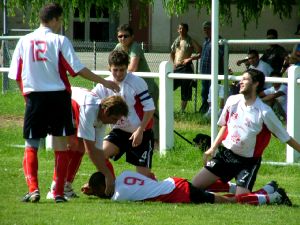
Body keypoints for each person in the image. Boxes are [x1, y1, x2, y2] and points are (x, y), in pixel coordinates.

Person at [8, 3, 119, 203]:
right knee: (61, 145)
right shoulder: (60, 40)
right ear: (55, 19)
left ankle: (33, 189)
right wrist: (104, 81)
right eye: (60, 20)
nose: (61, 25)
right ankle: (58, 192)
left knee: (31, 144)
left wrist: (27, 99)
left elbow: (16, 75)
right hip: (59, 97)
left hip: (35, 97)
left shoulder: (23, 41)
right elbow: (77, 69)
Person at [192, 68, 300, 197]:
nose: (240, 82)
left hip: (248, 162)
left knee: (241, 199)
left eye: (245, 79)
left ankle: (271, 194)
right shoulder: (232, 101)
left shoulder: (264, 112)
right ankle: (235, 188)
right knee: (193, 187)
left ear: (256, 84)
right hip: (226, 155)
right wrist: (212, 148)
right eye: (241, 79)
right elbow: (224, 126)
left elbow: (285, 137)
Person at [46, 87, 129, 200]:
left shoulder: (101, 117)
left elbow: (98, 150)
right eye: (114, 119)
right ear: (106, 111)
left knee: (80, 148)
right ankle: (55, 189)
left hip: (72, 111)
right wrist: (108, 175)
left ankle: (66, 186)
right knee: (70, 146)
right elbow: (91, 150)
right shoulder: (90, 110)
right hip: (58, 104)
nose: (114, 123)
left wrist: (109, 176)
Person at [92, 50, 156, 179]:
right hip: (119, 131)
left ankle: (154, 183)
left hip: (141, 132)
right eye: (115, 70)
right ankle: (110, 183)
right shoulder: (104, 84)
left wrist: (140, 130)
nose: (118, 74)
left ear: (127, 67)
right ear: (109, 67)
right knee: (100, 154)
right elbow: (91, 100)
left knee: (143, 178)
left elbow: (150, 108)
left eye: (122, 70)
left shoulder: (136, 82)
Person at [81, 170, 292, 206]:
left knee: (227, 202)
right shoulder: (124, 175)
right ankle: (267, 189)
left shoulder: (118, 197)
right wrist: (94, 187)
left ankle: (272, 198)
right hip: (174, 182)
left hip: (179, 192)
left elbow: (108, 195)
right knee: (221, 196)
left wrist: (94, 192)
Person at [114, 24, 159, 148]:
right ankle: (135, 138)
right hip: (132, 89)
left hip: (148, 87)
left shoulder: (135, 47)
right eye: (119, 36)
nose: (122, 39)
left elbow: (132, 68)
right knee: (135, 114)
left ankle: (156, 142)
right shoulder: (118, 47)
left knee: (151, 114)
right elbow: (112, 63)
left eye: (125, 36)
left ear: (132, 37)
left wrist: (118, 72)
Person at [170, 23, 201, 113]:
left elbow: (200, 51)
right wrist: (173, 64)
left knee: (185, 89)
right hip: (176, 68)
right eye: (180, 29)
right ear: (177, 30)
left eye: (183, 29)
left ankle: (182, 111)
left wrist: (190, 58)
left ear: (187, 30)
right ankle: (168, 108)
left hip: (186, 68)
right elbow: (172, 52)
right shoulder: (176, 41)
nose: (181, 31)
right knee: (169, 86)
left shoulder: (191, 41)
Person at [198, 21, 224, 114]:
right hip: (204, 71)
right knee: (204, 91)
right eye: (204, 28)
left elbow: (221, 55)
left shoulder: (219, 40)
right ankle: (205, 107)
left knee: (212, 91)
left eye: (208, 28)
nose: (206, 30)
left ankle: (212, 110)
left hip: (214, 71)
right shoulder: (206, 41)